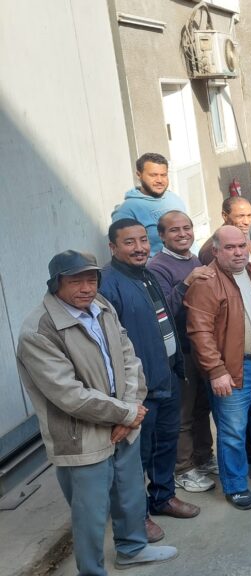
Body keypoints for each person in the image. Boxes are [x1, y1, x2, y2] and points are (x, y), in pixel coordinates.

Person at [17, 250, 178, 574]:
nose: (86, 288)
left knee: (130, 494)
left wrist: (130, 410)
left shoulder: (102, 307)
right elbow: (69, 395)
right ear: (55, 284)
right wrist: (126, 414)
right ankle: (91, 571)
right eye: (76, 281)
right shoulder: (39, 331)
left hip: (123, 421)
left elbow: (130, 359)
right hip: (81, 436)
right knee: (90, 513)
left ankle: (132, 549)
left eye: (91, 280)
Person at [100, 219, 199, 541]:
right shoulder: (108, 285)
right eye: (129, 242)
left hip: (166, 377)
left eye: (143, 240)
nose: (139, 248)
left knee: (165, 446)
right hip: (138, 389)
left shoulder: (147, 275)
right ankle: (137, 517)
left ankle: (163, 497)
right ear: (113, 247)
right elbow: (107, 347)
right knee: (135, 458)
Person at [184, 226, 251, 510]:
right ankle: (236, 486)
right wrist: (216, 371)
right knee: (232, 431)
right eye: (230, 247)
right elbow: (200, 332)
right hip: (232, 368)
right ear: (216, 251)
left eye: (242, 246)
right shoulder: (207, 282)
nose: (238, 252)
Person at [147, 211, 216, 494]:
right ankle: (183, 469)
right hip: (180, 352)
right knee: (183, 413)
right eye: (174, 230)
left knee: (202, 407)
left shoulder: (194, 259)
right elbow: (163, 311)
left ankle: (203, 457)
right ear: (162, 235)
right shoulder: (157, 267)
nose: (183, 234)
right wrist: (187, 282)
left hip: (201, 347)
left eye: (187, 228)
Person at [111, 153, 187, 256]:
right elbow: (124, 253)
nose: (159, 180)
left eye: (163, 175)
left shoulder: (174, 198)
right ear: (139, 175)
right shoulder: (126, 211)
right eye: (153, 175)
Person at [198, 196, 251, 272]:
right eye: (240, 216)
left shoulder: (243, 236)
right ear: (225, 216)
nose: (246, 222)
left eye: (249, 216)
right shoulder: (212, 249)